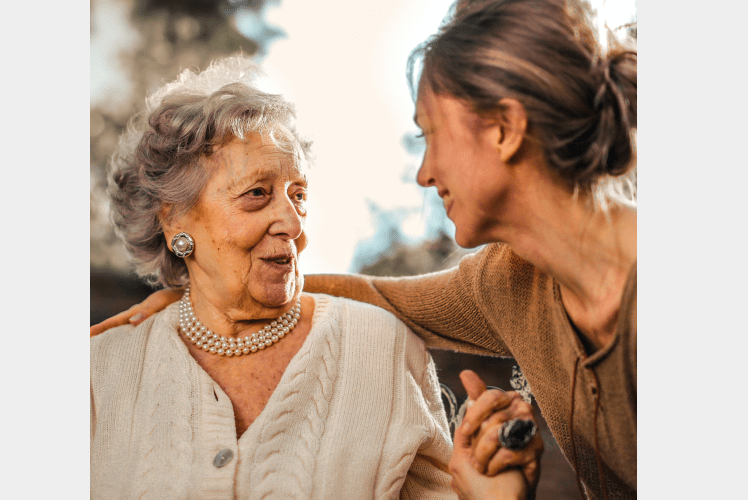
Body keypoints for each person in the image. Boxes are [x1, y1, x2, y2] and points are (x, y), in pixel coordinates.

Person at [93, 0, 637, 498]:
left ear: (505, 130)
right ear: (174, 221)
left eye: (430, 134)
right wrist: (202, 291)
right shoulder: (506, 283)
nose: (424, 174)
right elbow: (381, 295)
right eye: (257, 194)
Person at [91, 56, 483, 500]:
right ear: (175, 220)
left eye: (298, 196)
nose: (292, 224)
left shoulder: (384, 349)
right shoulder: (99, 370)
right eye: (257, 194)